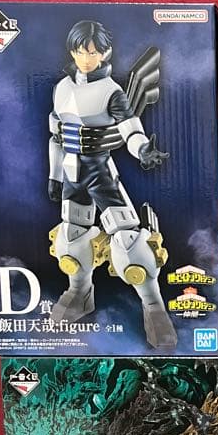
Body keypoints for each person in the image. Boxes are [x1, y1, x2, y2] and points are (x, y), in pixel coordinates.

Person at [48, 20, 176, 349]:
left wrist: (143, 149)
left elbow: (130, 128)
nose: (86, 58)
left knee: (129, 243)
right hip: (71, 171)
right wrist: (54, 175)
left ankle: (154, 308)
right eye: (80, 51)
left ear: (105, 53)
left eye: (93, 52)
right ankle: (80, 292)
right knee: (70, 239)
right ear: (72, 51)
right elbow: (56, 136)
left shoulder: (111, 92)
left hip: (99, 171)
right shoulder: (61, 88)